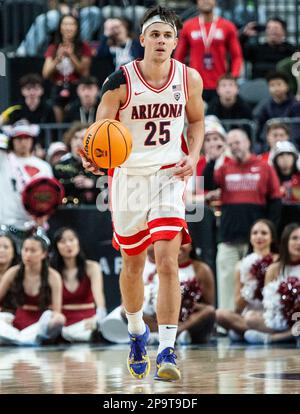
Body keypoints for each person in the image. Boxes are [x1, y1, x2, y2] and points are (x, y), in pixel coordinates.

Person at [80, 5, 205, 381]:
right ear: (142, 40)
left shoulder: (189, 78)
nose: (161, 41)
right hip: (129, 179)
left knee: (168, 260)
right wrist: (92, 157)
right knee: (132, 265)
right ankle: (137, 333)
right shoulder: (119, 80)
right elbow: (98, 133)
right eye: (155, 34)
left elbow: (196, 121)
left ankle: (168, 347)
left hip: (168, 176)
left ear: (176, 42)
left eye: (168, 35)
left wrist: (194, 154)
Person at [203, 128, 282, 311]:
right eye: (230, 145)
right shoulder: (224, 168)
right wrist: (212, 160)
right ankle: (227, 323)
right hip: (228, 236)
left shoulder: (264, 167)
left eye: (237, 142)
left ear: (248, 142)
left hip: (256, 241)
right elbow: (205, 185)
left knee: (256, 283)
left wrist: (269, 231)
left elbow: (276, 200)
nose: (234, 147)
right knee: (226, 282)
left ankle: (257, 318)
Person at [216, 219, 278, 341]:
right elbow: (238, 306)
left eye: (264, 233)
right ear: (250, 238)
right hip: (249, 314)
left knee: (239, 330)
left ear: (272, 238)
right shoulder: (241, 265)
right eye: (255, 233)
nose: (259, 236)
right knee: (220, 314)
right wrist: (251, 285)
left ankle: (252, 332)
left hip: (272, 313)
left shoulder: (278, 261)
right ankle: (256, 333)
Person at [143, 243, 216, 345]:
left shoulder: (202, 269)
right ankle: (170, 335)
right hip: (164, 319)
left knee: (209, 311)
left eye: (184, 243)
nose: (179, 246)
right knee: (129, 312)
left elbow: (209, 305)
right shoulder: (161, 268)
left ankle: (172, 334)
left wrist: (188, 304)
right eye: (177, 242)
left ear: (191, 246)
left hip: (190, 320)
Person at [0, 235, 65, 346]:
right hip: (17, 321)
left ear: (44, 254)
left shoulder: (53, 276)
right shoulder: (13, 272)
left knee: (59, 319)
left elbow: (56, 311)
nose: (28, 254)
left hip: (40, 323)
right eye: (25, 250)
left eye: (33, 251)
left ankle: (21, 339)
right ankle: (21, 339)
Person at [174, 0, 243, 103]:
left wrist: (233, 77)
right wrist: (182, 79)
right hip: (195, 83)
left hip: (220, 85)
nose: (206, 1)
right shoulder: (188, 26)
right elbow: (178, 57)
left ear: (215, 2)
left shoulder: (228, 26)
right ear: (196, 2)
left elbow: (237, 56)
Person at [243, 223, 300, 344]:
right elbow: (268, 304)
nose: (298, 243)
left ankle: (274, 338)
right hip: (283, 319)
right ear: (285, 242)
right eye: (294, 238)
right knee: (250, 318)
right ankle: (292, 335)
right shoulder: (274, 269)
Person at [0, 121, 53, 249]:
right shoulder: (3, 160)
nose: (23, 142)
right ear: (11, 140)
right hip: (5, 224)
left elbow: (50, 195)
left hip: (34, 226)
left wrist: (44, 215)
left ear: (32, 140)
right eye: (18, 138)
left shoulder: (43, 166)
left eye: (26, 138)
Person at [51, 227, 107, 342]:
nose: (68, 245)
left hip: (87, 322)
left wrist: (99, 316)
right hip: (62, 322)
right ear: (56, 246)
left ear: (78, 242)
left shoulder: (92, 267)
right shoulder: (52, 271)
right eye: (62, 241)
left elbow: (99, 298)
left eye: (71, 240)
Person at [42, 14, 93, 122]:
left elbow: (84, 73)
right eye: (65, 24)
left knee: (74, 116)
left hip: (76, 88)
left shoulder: (84, 47)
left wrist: (71, 56)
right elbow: (45, 73)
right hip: (58, 88)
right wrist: (58, 58)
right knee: (55, 109)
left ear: (77, 27)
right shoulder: (53, 47)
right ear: (60, 27)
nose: (68, 27)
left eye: (71, 24)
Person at [53, 123, 98, 205]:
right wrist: (72, 182)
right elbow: (53, 188)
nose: (78, 142)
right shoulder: (60, 165)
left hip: (95, 212)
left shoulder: (100, 165)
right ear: (70, 140)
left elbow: (108, 187)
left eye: (83, 138)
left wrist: (93, 184)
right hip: (68, 212)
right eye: (75, 138)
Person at [255, 72, 300, 150]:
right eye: (272, 85)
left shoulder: (296, 105)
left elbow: (296, 130)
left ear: (287, 86)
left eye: (279, 84)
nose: (276, 88)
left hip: (292, 143)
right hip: (268, 144)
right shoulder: (264, 106)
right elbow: (259, 128)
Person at [271, 141, 300, 236]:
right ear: (275, 159)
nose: (285, 158)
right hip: (278, 224)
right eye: (281, 155)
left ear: (294, 157)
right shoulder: (270, 179)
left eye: (288, 155)